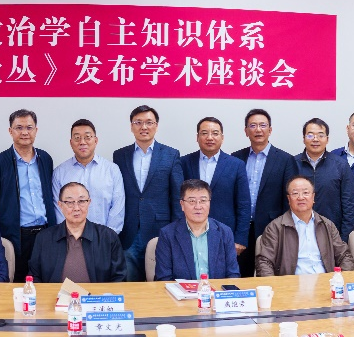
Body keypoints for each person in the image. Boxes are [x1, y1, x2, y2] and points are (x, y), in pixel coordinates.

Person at [0, 109, 57, 281]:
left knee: (46, 281)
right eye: (19, 128)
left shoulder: (45, 159)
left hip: (45, 233)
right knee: (17, 283)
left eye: (29, 127)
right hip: (16, 236)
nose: (24, 132)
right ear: (10, 131)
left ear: (36, 130)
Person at [113, 105, 182, 282]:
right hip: (129, 231)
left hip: (160, 231)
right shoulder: (119, 155)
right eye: (138, 122)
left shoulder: (171, 154)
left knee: (160, 283)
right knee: (130, 283)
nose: (144, 127)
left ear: (156, 126)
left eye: (149, 122)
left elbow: (177, 197)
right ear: (131, 126)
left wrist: (176, 230)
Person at [230, 109, 298, 277]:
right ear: (246, 131)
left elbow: (289, 200)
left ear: (270, 129)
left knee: (269, 276)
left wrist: (285, 231)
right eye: (253, 126)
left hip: (272, 228)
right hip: (241, 229)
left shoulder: (285, 160)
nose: (258, 130)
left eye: (262, 125)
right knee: (240, 275)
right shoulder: (235, 158)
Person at [255, 176, 354, 276]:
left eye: (306, 193)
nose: (301, 197)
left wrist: (344, 279)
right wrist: (275, 284)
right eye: (295, 193)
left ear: (313, 197)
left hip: (325, 281)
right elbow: (264, 262)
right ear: (289, 199)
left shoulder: (327, 225)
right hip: (292, 282)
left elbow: (344, 256)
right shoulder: (275, 227)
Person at [176, 117, 249, 252]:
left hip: (226, 233)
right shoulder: (184, 162)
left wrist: (240, 239)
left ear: (222, 137)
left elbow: (244, 204)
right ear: (197, 137)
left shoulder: (236, 165)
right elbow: (178, 199)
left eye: (215, 133)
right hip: (189, 232)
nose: (210, 137)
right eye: (204, 133)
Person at [28, 182, 126, 283]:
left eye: (81, 201)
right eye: (69, 202)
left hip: (97, 294)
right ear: (60, 205)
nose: (76, 208)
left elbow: (119, 277)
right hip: (55, 293)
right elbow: (34, 276)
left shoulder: (108, 236)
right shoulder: (44, 238)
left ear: (89, 202)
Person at [153, 179, 241, 281]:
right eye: (192, 201)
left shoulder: (225, 232)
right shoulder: (167, 234)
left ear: (209, 203)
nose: (198, 206)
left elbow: (233, 274)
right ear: (182, 205)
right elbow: (164, 278)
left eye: (203, 201)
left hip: (215, 290)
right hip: (180, 291)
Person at [51, 119, 125, 234]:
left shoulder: (112, 170)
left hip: (105, 239)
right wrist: (70, 237)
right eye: (77, 138)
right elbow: (59, 210)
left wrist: (107, 238)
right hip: (70, 240)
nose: (82, 142)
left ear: (95, 140)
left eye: (87, 137)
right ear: (71, 142)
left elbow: (117, 208)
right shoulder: (59, 173)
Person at [294, 118, 354, 241]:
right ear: (303, 139)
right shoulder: (293, 164)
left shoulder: (340, 165)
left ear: (327, 139)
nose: (315, 139)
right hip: (298, 232)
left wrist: (344, 239)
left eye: (320, 135)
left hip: (331, 233)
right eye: (310, 135)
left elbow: (350, 205)